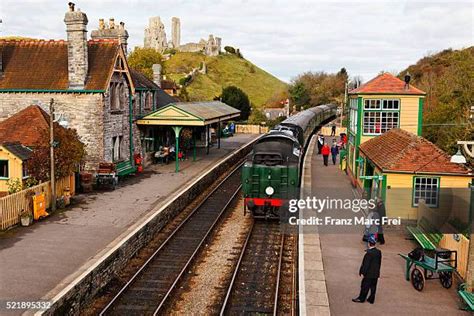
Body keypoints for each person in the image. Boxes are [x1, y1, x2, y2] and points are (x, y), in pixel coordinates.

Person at [353, 236, 382, 304]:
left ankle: (361, 298)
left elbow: (366, 264)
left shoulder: (368, 254)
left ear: (369, 243)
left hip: (369, 274)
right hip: (375, 273)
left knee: (364, 286)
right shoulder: (378, 252)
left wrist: (362, 272)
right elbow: (379, 262)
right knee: (373, 287)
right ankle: (371, 299)